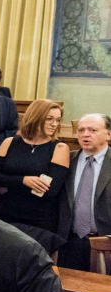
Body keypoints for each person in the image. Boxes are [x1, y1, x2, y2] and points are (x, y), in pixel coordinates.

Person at [0, 99, 70, 251]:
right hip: (7, 212)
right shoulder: (10, 142)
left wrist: (9, 183)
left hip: (40, 218)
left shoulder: (59, 148)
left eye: (58, 120)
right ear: (35, 117)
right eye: (49, 119)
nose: (54, 124)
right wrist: (24, 180)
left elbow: (49, 190)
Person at [58, 113, 111, 271]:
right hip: (69, 242)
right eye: (81, 130)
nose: (85, 134)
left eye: (93, 130)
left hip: (105, 243)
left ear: (109, 134)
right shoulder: (66, 160)